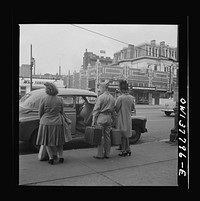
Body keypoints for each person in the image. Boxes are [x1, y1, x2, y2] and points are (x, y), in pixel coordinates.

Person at [36, 82, 65, 165]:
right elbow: (62, 112)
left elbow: (40, 112)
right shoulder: (60, 99)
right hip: (57, 122)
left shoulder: (44, 99)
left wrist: (41, 119)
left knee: (46, 141)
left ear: (47, 90)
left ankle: (51, 158)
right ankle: (61, 157)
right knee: (59, 141)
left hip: (46, 122)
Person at [92, 80, 115, 159]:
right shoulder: (112, 97)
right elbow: (113, 111)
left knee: (100, 136)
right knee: (107, 136)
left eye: (100, 88)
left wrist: (93, 120)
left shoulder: (101, 97)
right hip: (109, 118)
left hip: (101, 117)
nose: (99, 90)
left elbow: (96, 110)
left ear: (104, 88)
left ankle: (100, 154)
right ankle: (107, 153)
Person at [115, 80, 135, 156]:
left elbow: (116, 109)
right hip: (128, 118)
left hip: (121, 118)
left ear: (121, 89)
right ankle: (128, 149)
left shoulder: (120, 98)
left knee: (123, 135)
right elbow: (132, 108)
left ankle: (123, 150)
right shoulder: (131, 98)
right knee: (127, 135)